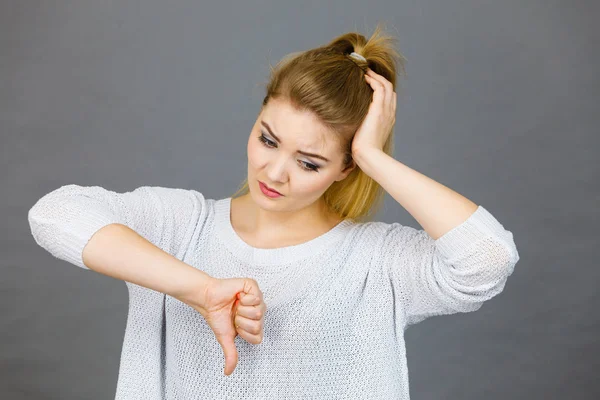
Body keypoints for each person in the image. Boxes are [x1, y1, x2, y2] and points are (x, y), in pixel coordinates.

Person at [27, 24, 520, 400]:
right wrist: (199, 289)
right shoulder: (180, 225)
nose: (275, 172)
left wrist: (375, 157)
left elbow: (487, 261)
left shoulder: (377, 261)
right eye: (268, 139)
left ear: (345, 169)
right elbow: (54, 215)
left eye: (309, 162)